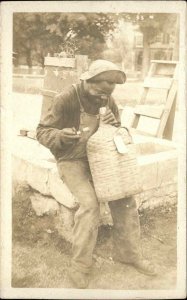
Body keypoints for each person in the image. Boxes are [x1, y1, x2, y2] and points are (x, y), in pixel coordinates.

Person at [36, 60, 156, 289]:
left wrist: (112, 124)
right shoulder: (66, 98)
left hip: (102, 159)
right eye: (100, 89)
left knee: (125, 199)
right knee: (90, 205)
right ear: (87, 80)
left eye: (109, 90)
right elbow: (42, 131)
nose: (103, 96)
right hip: (71, 160)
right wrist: (60, 136)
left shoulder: (108, 100)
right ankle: (80, 266)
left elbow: (118, 133)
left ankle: (128, 255)